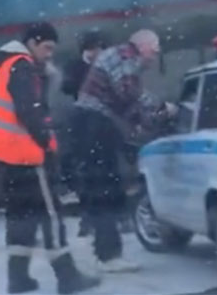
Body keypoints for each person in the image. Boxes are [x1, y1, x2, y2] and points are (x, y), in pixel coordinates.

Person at [0, 22, 100, 294]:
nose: (50, 53)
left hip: (8, 158)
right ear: (33, 42)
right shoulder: (23, 67)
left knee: (19, 217)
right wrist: (47, 145)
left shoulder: (5, 66)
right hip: (29, 157)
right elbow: (30, 112)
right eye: (47, 47)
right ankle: (68, 278)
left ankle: (18, 278)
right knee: (51, 216)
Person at [72, 29, 176, 273]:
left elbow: (131, 108)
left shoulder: (125, 63)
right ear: (142, 46)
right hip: (93, 126)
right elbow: (128, 94)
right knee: (104, 189)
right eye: (155, 47)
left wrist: (155, 116)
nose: (157, 53)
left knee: (106, 188)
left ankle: (106, 252)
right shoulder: (123, 57)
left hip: (93, 126)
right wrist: (162, 107)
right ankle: (108, 256)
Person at [60, 30, 108, 237]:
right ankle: (88, 217)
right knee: (86, 173)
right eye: (94, 48)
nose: (98, 52)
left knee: (108, 172)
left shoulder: (106, 66)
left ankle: (112, 215)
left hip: (106, 123)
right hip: (84, 124)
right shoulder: (75, 66)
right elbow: (67, 86)